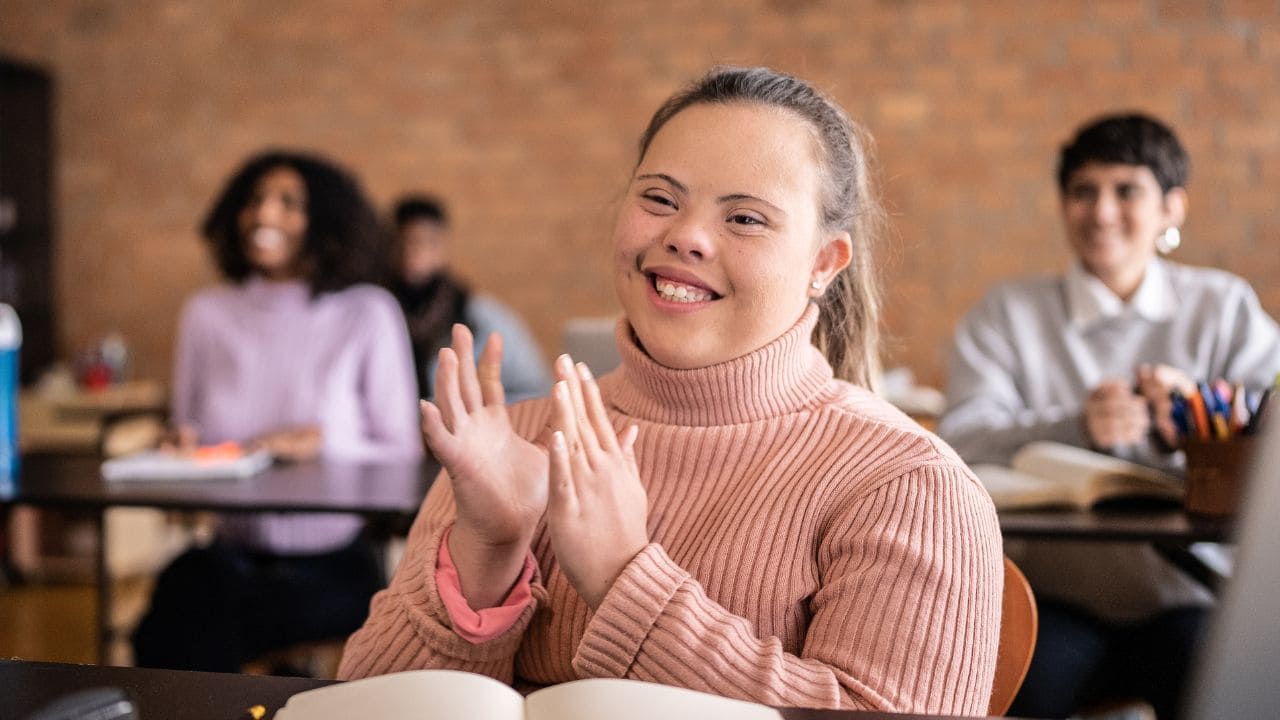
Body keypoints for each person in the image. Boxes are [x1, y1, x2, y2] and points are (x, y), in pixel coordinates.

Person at [338, 66, 1002, 715]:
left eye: (745, 218)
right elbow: (360, 705)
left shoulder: (908, 484)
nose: (684, 236)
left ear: (824, 264)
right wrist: (487, 546)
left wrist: (623, 578)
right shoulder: (509, 442)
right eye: (659, 198)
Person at [939, 114, 1280, 719]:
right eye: (1083, 191)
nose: (1101, 211)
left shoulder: (1223, 305)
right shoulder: (1007, 312)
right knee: (1006, 691)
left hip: (1190, 595)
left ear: (1172, 209)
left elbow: (1270, 424)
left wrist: (1204, 420)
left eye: (1127, 191)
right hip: (1052, 599)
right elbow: (959, 441)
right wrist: (1076, 426)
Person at [132, 150, 424, 673]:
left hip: (333, 565)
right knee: (177, 612)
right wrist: (180, 443)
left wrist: (324, 442)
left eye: (289, 203)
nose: (264, 215)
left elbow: (402, 452)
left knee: (208, 627)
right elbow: (189, 428)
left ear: (327, 222)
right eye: (254, 200)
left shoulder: (366, 313)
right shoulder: (207, 314)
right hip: (229, 558)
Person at [391, 195, 551, 401]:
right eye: (404, 242)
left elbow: (534, 390)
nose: (412, 253)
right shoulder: (378, 314)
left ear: (442, 246)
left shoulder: (483, 317)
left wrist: (478, 407)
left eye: (425, 242)